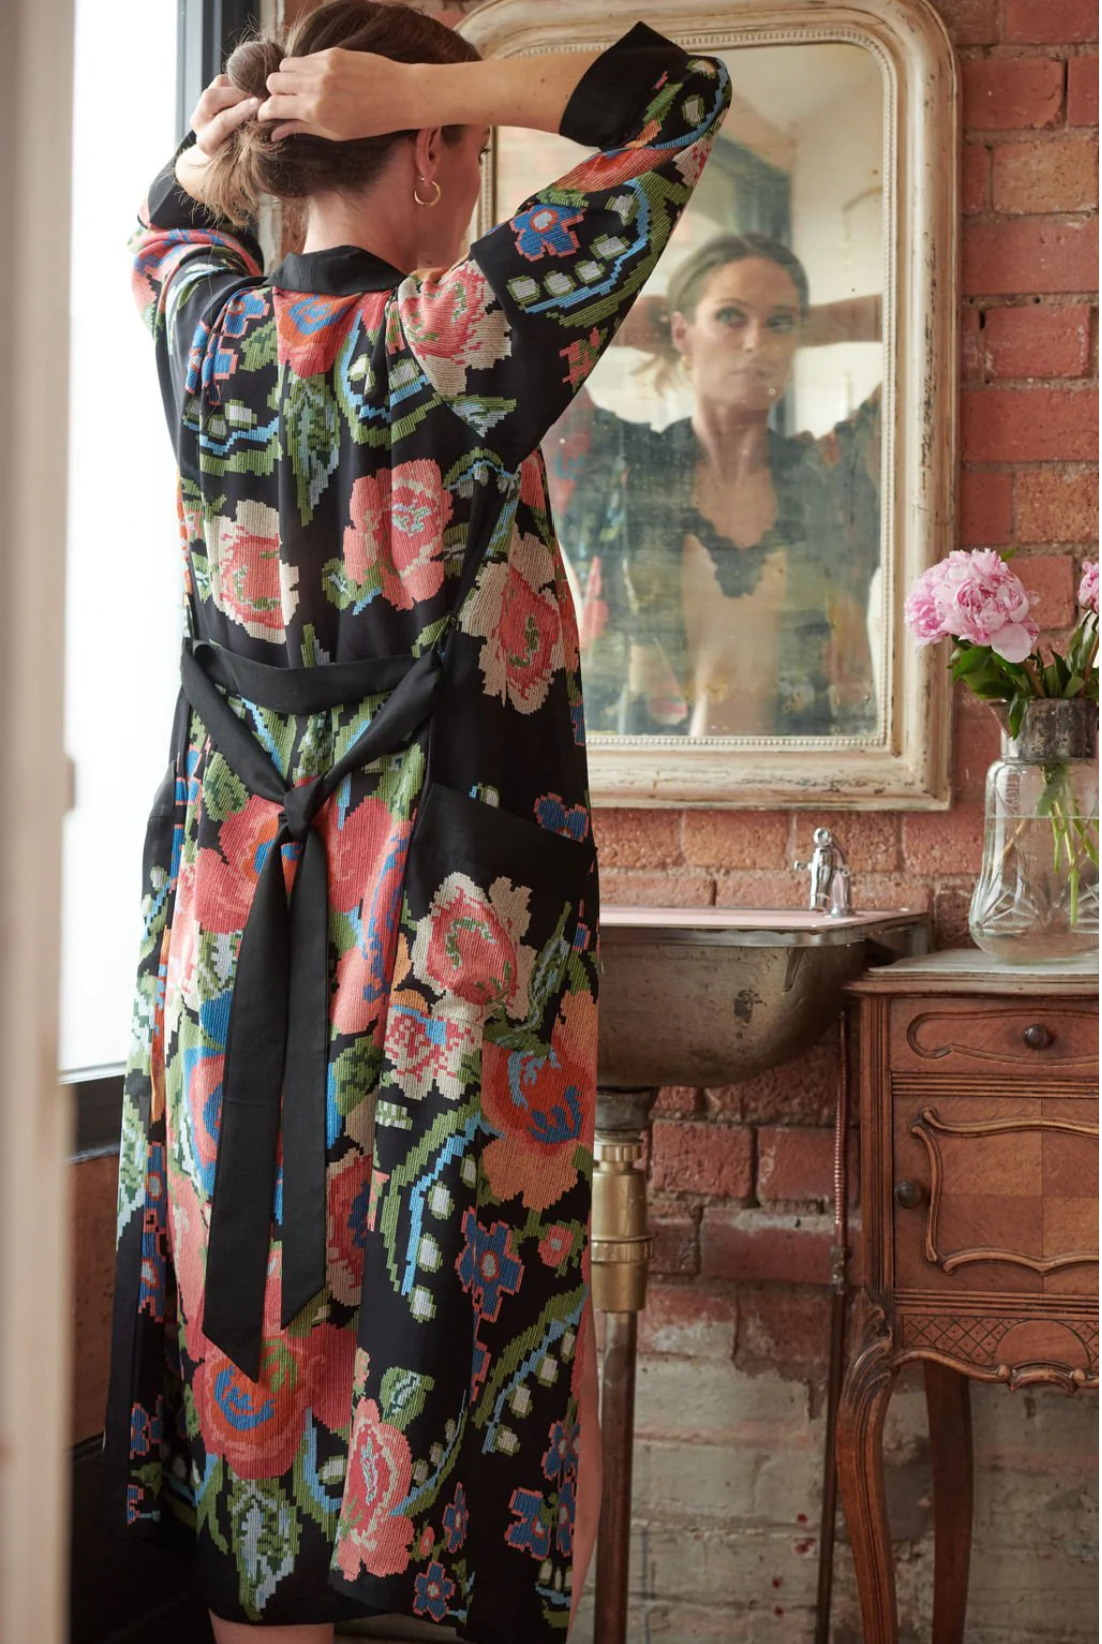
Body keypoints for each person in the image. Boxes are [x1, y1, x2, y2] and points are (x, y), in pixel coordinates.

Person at [101, 5, 731, 1642]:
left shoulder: (207, 333)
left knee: (252, 1323)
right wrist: (437, 79)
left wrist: (239, 120)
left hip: (230, 939)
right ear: (434, 152)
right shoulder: (452, 334)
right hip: (432, 948)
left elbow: (167, 214)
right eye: (459, 133)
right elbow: (674, 101)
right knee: (434, 1310)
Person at [546, 233, 882, 736]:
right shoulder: (614, 469)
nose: (756, 342)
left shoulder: (834, 479)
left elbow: (926, 321)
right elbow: (529, 332)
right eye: (730, 316)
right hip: (639, 776)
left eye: (780, 323)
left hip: (816, 775)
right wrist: (665, 320)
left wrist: (804, 328)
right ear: (680, 332)